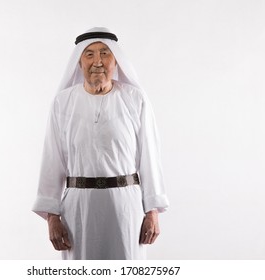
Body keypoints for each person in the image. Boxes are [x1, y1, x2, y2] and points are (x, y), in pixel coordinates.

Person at [32, 27, 169, 260]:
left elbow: (149, 156)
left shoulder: (135, 100)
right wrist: (52, 216)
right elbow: (52, 159)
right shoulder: (63, 102)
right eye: (89, 54)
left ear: (116, 61)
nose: (98, 61)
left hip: (125, 208)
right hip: (78, 210)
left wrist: (152, 210)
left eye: (105, 53)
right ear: (79, 63)